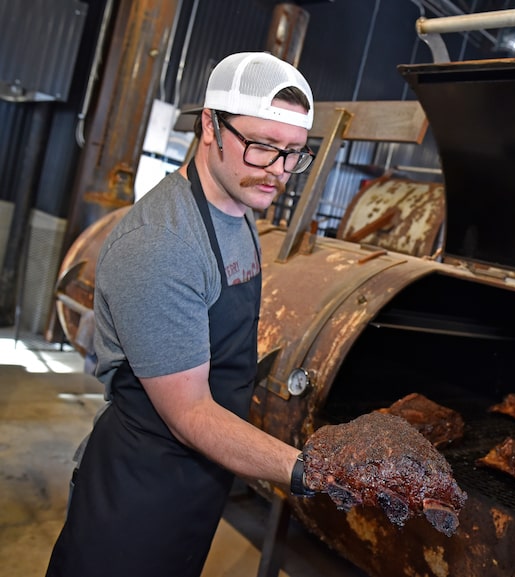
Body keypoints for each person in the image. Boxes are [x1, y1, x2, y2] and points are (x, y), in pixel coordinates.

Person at [46, 52, 319, 577]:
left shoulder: (239, 213)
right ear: (209, 126)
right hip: (138, 494)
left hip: (199, 482)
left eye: (293, 154)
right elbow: (191, 413)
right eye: (262, 147)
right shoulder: (162, 244)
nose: (278, 172)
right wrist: (309, 471)